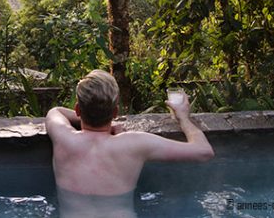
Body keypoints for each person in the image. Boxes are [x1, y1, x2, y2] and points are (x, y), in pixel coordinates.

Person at [45, 70, 214, 217]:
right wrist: (183, 117)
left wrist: (91, 112)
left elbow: (55, 111)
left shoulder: (63, 137)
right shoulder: (134, 143)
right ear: (116, 112)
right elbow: (204, 151)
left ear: (77, 110)